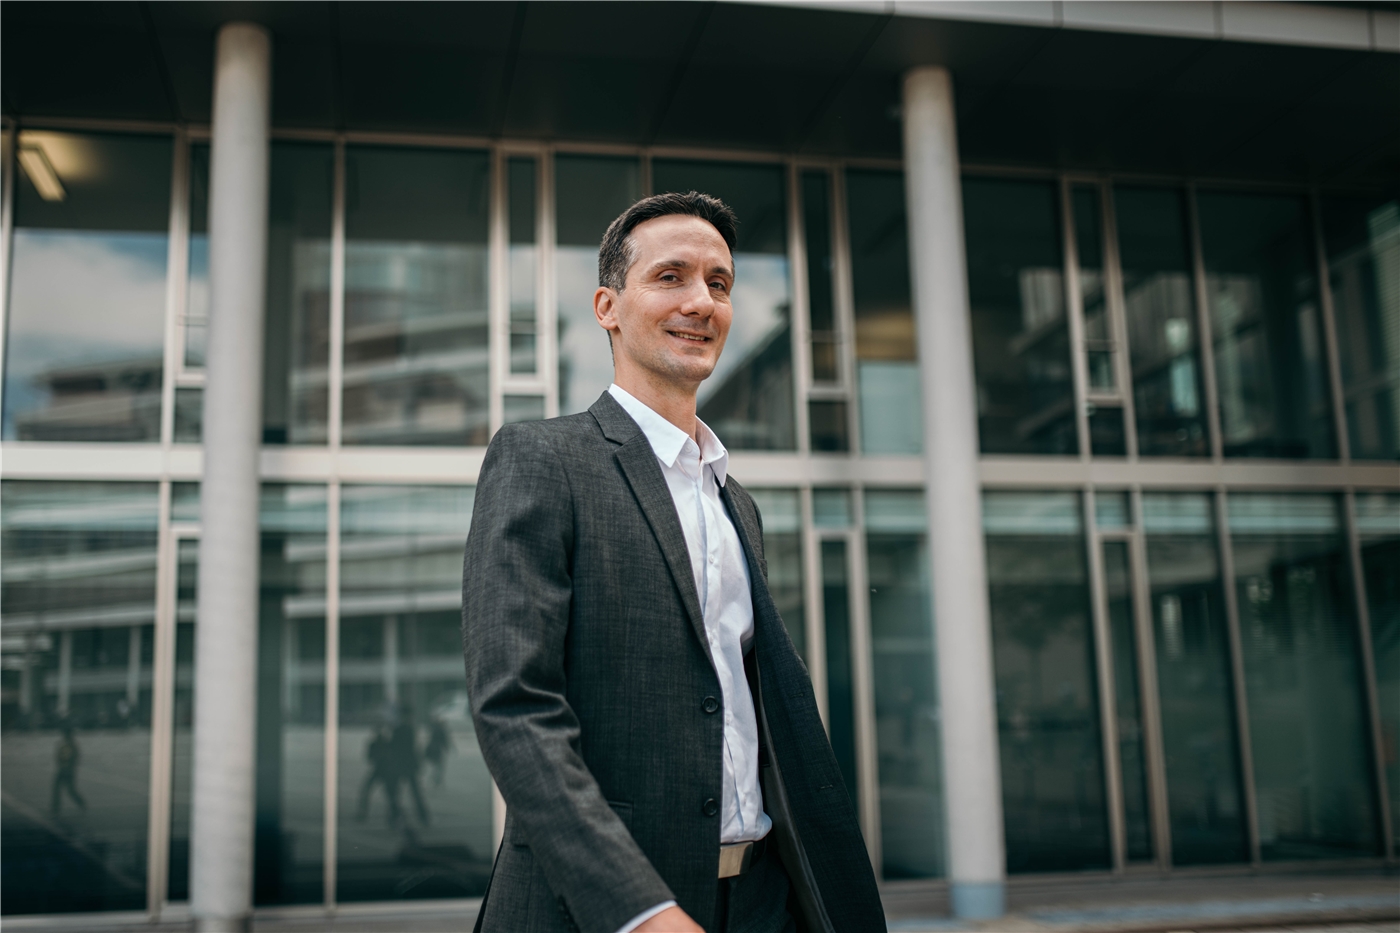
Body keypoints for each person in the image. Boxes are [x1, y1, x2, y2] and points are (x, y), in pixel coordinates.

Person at [462, 192, 885, 933]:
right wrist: (640, 909)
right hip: (604, 909)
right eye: (671, 277)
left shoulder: (735, 501)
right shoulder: (542, 459)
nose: (701, 302)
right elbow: (515, 707)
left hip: (763, 901)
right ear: (608, 307)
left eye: (719, 284)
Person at [50, 723, 87, 815]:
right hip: (62, 770)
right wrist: (60, 763)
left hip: (68, 771)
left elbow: (75, 758)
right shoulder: (63, 743)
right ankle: (55, 809)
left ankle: (81, 803)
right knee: (56, 789)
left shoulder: (72, 745)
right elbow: (59, 755)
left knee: (70, 790)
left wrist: (70, 768)